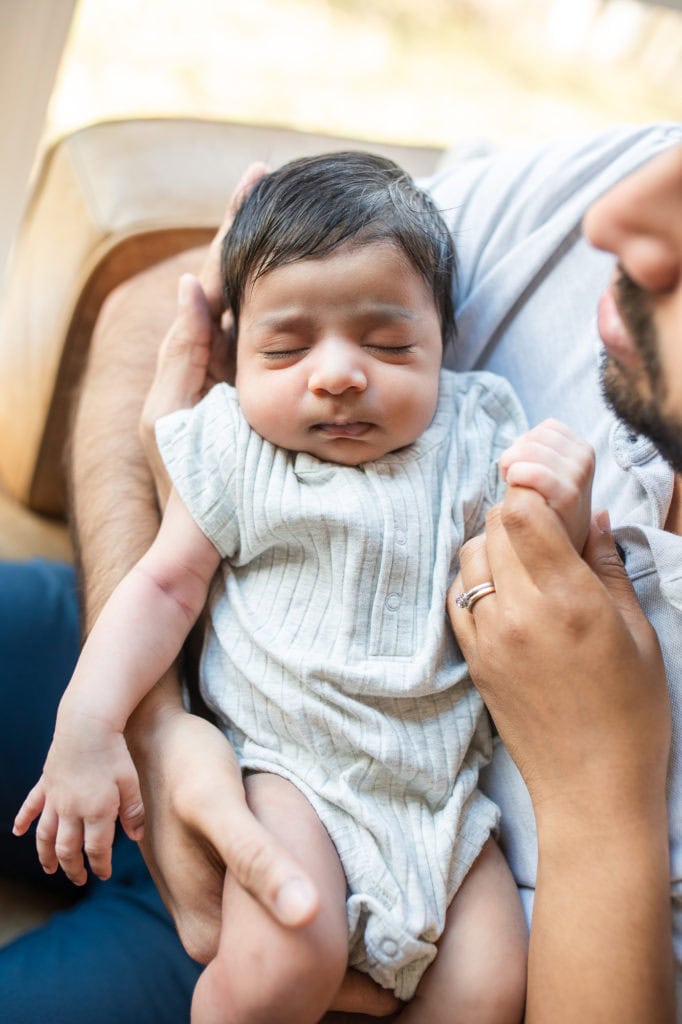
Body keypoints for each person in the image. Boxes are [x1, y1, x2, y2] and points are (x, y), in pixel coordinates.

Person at [1, 122, 680, 1024]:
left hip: (435, 797)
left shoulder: (474, 432)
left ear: (442, 338)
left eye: (391, 349)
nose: (338, 377)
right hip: (280, 760)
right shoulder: (238, 445)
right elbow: (163, 586)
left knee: (477, 984)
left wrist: (557, 503)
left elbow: (537, 557)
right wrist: (116, 727)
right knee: (292, 945)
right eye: (285, 351)